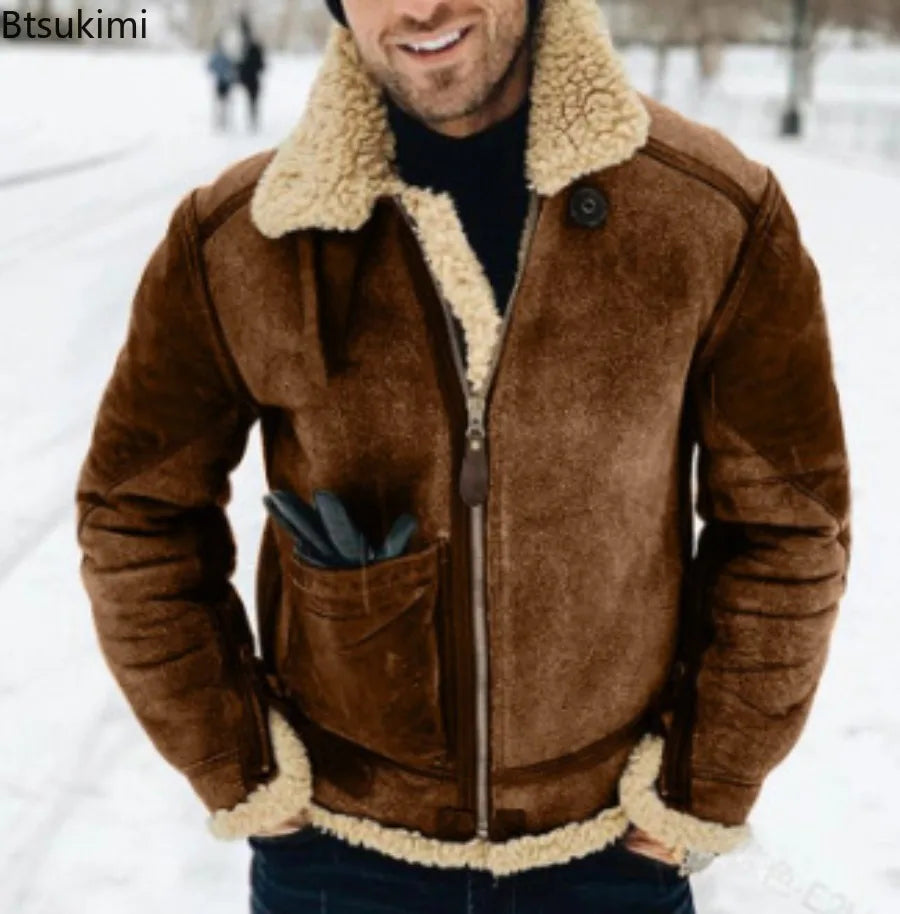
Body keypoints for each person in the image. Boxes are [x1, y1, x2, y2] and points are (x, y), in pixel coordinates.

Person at [74, 0, 852, 912]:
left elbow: (789, 527)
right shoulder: (242, 237)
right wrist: (237, 765)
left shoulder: (708, 213)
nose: (419, 8)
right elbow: (135, 515)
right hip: (337, 858)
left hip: (611, 854)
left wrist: (698, 788)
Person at [235, 12, 265, 131]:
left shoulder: (245, 47)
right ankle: (252, 120)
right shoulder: (246, 47)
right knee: (252, 102)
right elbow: (261, 65)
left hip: (249, 79)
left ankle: (252, 120)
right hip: (250, 79)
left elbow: (261, 65)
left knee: (252, 101)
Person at [207, 32, 236, 132]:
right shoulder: (224, 55)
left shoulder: (216, 56)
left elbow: (210, 67)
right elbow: (232, 67)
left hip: (221, 82)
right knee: (223, 103)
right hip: (224, 82)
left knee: (220, 102)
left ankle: (220, 121)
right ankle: (222, 121)